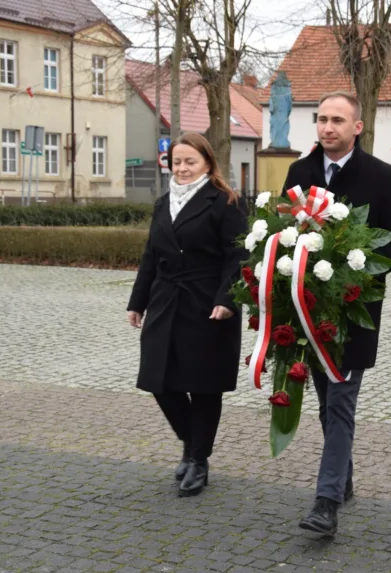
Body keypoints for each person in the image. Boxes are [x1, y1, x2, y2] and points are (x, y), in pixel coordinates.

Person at [282, 91, 391, 535]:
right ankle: (343, 476)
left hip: (353, 309)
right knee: (324, 402)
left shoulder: (380, 175)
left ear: (357, 127)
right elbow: (284, 234)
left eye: (338, 120)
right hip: (307, 311)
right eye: (321, 119)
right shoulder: (298, 172)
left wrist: (357, 269)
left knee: (340, 403)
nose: (327, 127)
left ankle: (326, 502)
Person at [127, 132, 248, 497]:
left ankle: (198, 460)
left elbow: (239, 256)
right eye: (176, 161)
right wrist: (138, 301)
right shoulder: (163, 203)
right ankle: (192, 444)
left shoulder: (225, 202)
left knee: (204, 385)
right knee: (158, 379)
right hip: (166, 299)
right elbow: (151, 253)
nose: (181, 168)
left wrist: (228, 299)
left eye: (189, 161)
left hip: (208, 304)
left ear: (208, 163)